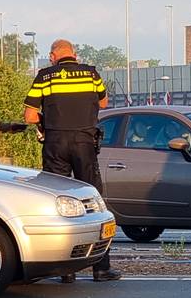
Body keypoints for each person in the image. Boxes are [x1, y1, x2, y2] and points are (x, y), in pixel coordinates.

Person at [24, 39, 122, 282]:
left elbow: (29, 115)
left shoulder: (45, 77)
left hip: (55, 143)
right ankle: (101, 267)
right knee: (93, 202)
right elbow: (103, 102)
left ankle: (66, 271)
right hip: (84, 144)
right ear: (74, 55)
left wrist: (46, 121)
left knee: (58, 203)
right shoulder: (91, 74)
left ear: (52, 56)